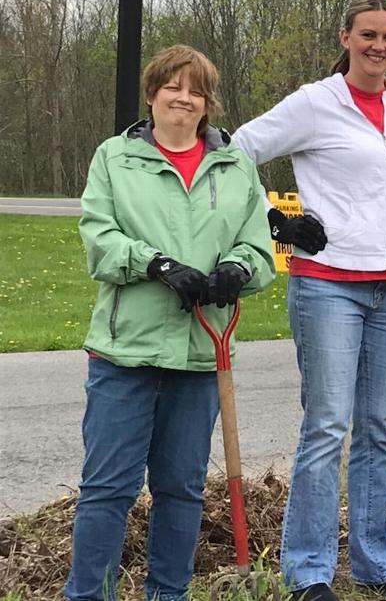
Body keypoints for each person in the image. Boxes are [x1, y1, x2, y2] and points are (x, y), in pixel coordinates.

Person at [232, 0, 386, 601]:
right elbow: (234, 152)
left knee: (379, 428)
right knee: (328, 424)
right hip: (328, 282)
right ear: (345, 37)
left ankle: (376, 563)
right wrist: (276, 221)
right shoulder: (315, 102)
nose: (378, 47)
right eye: (367, 35)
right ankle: (308, 570)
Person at [65, 45, 276, 601]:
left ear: (208, 102)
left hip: (201, 352)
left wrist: (237, 268)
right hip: (124, 353)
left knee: (181, 489)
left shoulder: (235, 165)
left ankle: (168, 593)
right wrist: (155, 264)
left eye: (197, 90)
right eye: (173, 87)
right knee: (108, 488)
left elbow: (258, 248)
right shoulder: (115, 157)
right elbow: (99, 239)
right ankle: (89, 595)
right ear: (153, 93)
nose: (184, 98)